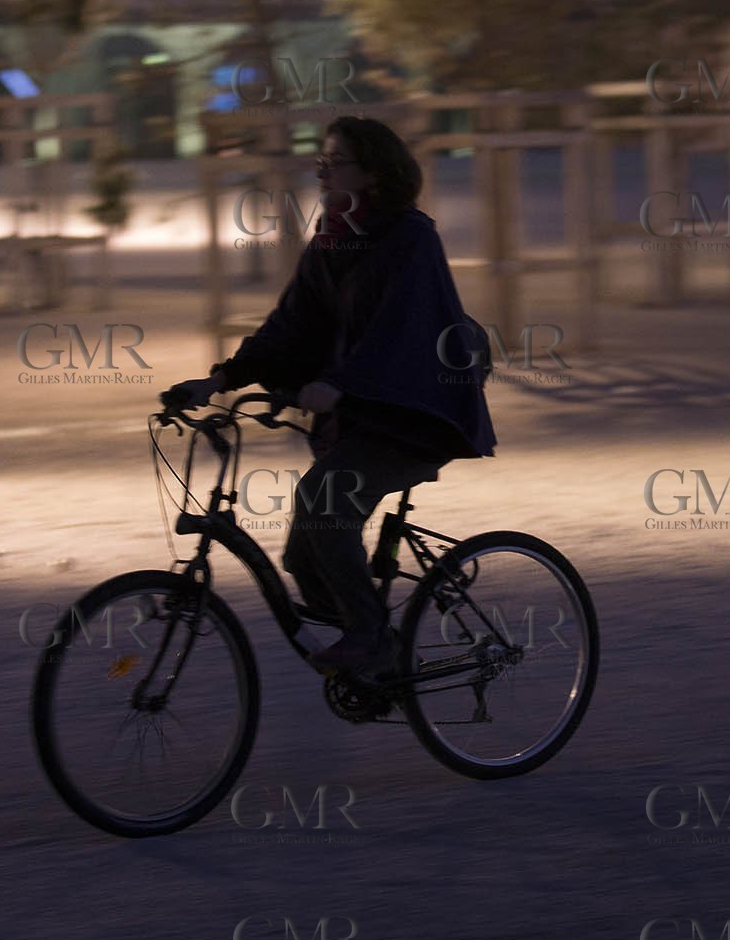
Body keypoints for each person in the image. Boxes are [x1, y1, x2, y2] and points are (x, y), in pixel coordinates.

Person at [174, 116, 496, 676]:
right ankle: (369, 644)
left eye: (335, 161)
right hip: (362, 413)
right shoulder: (333, 236)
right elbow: (292, 323)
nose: (322, 171)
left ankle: (373, 640)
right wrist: (221, 380)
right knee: (303, 556)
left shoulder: (411, 237)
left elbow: (401, 330)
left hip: (417, 412)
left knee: (324, 504)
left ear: (373, 173)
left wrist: (340, 386)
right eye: (320, 161)